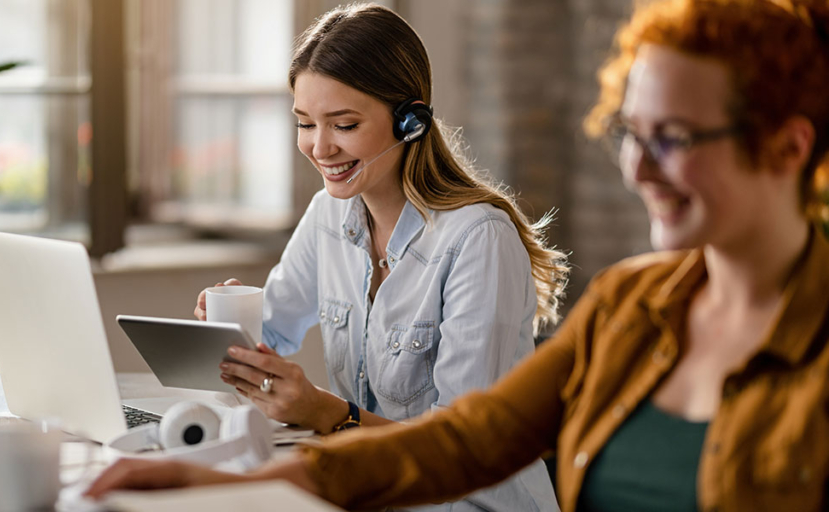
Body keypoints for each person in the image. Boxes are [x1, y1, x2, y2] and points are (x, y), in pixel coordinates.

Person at [86, 0, 829, 510]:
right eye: (628, 133)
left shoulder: (476, 237)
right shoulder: (631, 305)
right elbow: (465, 441)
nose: (636, 169)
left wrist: (316, 418)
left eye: (674, 138)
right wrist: (208, 481)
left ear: (788, 146)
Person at [192, 3, 568, 511]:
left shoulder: (479, 239)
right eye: (305, 123)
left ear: (409, 121)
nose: (319, 147)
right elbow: (270, 333)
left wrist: (327, 413)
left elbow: (462, 451)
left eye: (343, 125)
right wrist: (228, 328)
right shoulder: (329, 214)